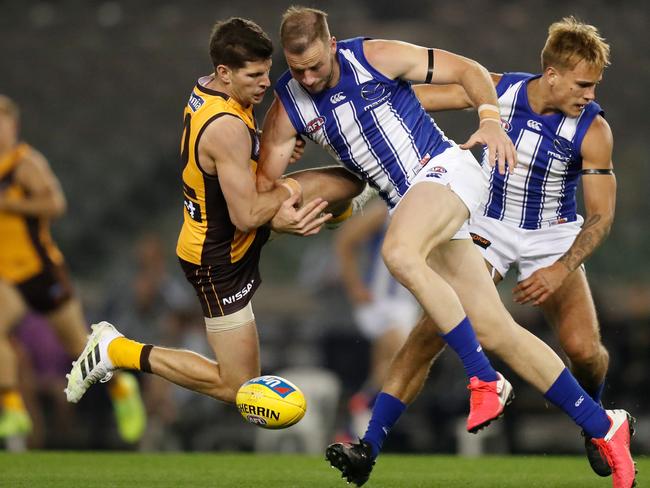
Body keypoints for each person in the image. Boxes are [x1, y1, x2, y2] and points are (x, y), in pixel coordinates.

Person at [256, 7, 635, 487]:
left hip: (484, 195)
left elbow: (468, 73)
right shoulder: (289, 107)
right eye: (297, 70)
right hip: (464, 217)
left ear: (331, 46)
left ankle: (485, 378)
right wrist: (284, 213)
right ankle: (603, 426)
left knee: (401, 254)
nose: (308, 78)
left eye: (316, 65)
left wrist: (490, 119)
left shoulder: (375, 57)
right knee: (487, 331)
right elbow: (265, 189)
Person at [65, 18, 364, 412]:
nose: (264, 83)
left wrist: (261, 149)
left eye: (266, 72)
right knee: (237, 384)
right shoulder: (226, 128)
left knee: (352, 182)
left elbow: (231, 165)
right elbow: (247, 215)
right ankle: (116, 350)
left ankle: (342, 210)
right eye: (254, 75)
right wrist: (286, 213)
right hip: (217, 257)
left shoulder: (210, 88)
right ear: (225, 72)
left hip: (229, 223)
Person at [412, 16, 616, 477]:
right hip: (491, 226)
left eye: (595, 85)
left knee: (583, 349)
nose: (591, 95)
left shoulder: (594, 130)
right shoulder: (497, 92)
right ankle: (374, 437)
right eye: (584, 84)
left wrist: (560, 269)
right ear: (552, 75)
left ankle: (596, 419)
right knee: (432, 328)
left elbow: (602, 216)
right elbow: (416, 102)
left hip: (553, 236)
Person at [0, 95, 146, 444]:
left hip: (41, 271)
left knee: (80, 348)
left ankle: (122, 389)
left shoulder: (25, 164)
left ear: (13, 127)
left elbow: (55, 203)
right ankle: (12, 408)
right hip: (7, 277)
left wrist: (9, 203)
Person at [334, 197, 418, 439]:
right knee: (400, 353)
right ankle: (366, 404)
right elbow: (345, 241)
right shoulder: (387, 209)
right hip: (380, 301)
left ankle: (358, 428)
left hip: (408, 303)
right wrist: (354, 287)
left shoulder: (434, 211)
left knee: (389, 366)